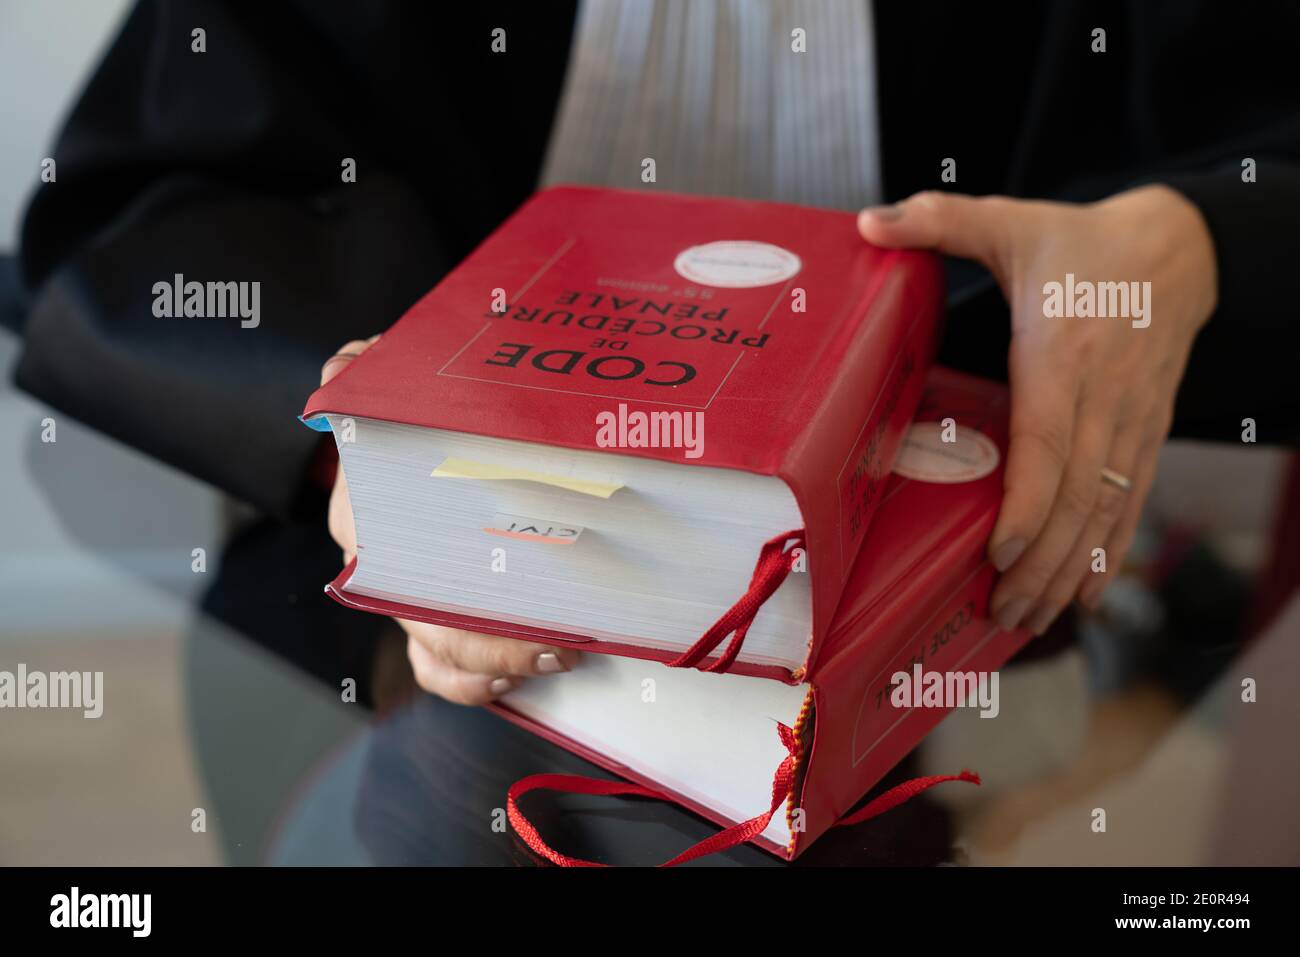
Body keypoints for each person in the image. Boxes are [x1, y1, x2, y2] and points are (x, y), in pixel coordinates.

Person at [15, 1, 1300, 706]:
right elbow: (142, 221)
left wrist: (1191, 240)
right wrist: (376, 443)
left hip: (943, 599)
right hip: (402, 650)